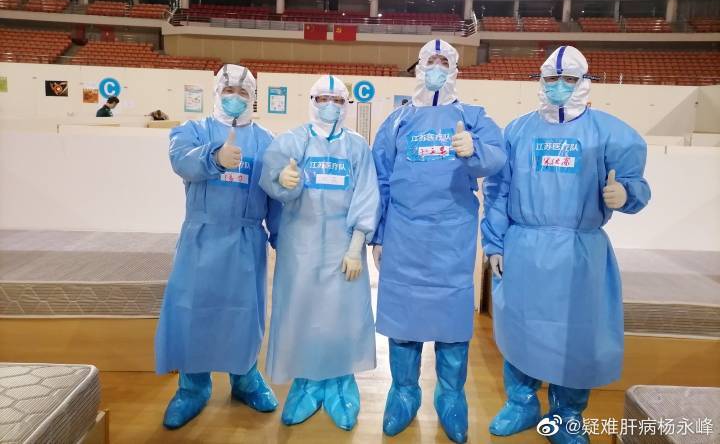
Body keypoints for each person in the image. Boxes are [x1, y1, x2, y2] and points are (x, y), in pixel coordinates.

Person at [481, 46, 651, 444]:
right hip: (524, 247)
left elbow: (637, 184)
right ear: (540, 81)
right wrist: (494, 244)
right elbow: (498, 190)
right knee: (521, 329)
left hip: (580, 252)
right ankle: (521, 404)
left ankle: (566, 414)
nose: (559, 86)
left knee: (577, 335)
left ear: (584, 82)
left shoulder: (609, 133)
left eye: (569, 79)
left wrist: (625, 195)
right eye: (552, 78)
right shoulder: (517, 132)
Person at [372, 39, 506, 443]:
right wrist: (378, 234)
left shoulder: (473, 116)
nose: (435, 66)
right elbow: (380, 180)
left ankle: (450, 398)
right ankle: (403, 394)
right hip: (403, 235)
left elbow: (497, 159)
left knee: (452, 324)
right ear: (418, 66)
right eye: (429, 60)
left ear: (454, 68)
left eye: (443, 60)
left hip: (451, 237)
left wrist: (474, 150)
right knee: (404, 321)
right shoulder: (397, 121)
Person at [155, 64, 281, 429]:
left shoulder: (267, 141)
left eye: (243, 92)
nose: (235, 98)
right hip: (201, 237)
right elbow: (181, 161)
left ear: (252, 98)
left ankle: (245, 379)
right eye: (229, 90)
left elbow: (275, 197)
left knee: (244, 313)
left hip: (246, 239)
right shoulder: (193, 130)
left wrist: (283, 241)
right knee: (194, 312)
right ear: (216, 92)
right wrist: (213, 157)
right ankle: (192, 388)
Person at [259, 74, 380, 431]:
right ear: (311, 101)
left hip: (343, 246)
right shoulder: (292, 141)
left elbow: (367, 194)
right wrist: (283, 182)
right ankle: (307, 383)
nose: (330, 106)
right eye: (323, 99)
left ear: (346, 105)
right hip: (301, 245)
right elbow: (271, 179)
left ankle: (341, 383)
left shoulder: (357, 146)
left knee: (343, 316)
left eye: (338, 100)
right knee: (302, 313)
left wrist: (356, 246)